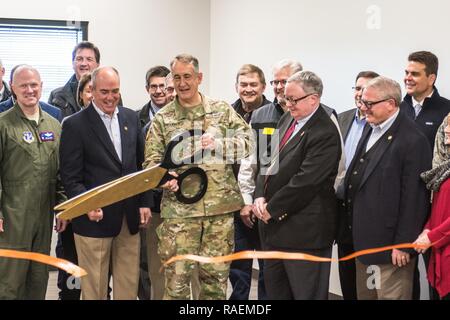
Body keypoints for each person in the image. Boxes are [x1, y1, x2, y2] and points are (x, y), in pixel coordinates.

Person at [144, 54, 253, 300]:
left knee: (215, 284)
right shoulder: (163, 119)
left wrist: (219, 143)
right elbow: (151, 163)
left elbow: (249, 144)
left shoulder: (221, 110)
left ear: (199, 78)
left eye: (188, 77)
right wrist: (165, 178)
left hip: (219, 214)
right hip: (180, 216)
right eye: (178, 77)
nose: (182, 83)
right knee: (176, 285)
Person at [59, 66, 152, 300]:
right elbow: (70, 176)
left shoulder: (131, 117)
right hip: (94, 221)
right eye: (104, 92)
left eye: (115, 91)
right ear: (92, 90)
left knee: (128, 289)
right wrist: (87, 204)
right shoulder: (74, 125)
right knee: (95, 291)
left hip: (129, 220)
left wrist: (145, 202)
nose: (111, 97)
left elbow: (142, 165)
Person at [253, 71, 341, 300]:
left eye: (294, 99)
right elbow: (267, 159)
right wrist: (260, 195)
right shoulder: (287, 118)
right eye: (286, 98)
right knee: (276, 293)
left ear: (313, 98)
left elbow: (305, 182)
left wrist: (271, 209)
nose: (288, 104)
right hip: (273, 229)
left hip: (304, 232)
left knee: (305, 294)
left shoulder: (325, 132)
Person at [345, 76, 431, 300]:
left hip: (392, 248)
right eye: (362, 102)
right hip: (364, 244)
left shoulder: (413, 140)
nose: (363, 108)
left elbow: (414, 199)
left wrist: (403, 244)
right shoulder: (370, 128)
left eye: (369, 104)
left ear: (391, 104)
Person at [0, 65, 66, 299]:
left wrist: (63, 208)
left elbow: (60, 174)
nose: (30, 90)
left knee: (38, 277)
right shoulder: (3, 124)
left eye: (34, 85)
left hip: (43, 216)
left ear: (41, 86)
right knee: (10, 280)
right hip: (12, 216)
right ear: (13, 89)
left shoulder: (54, 125)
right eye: (24, 85)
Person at [400, 51, 450, 300]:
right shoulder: (397, 109)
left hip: (438, 205)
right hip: (405, 203)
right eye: (406, 73)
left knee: (436, 270)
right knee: (404, 269)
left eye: (415, 74)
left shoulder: (446, 110)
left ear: (431, 78)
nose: (408, 78)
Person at [336, 70, 379, 300]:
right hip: (342, 207)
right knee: (346, 269)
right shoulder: (341, 119)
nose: (360, 93)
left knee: (370, 280)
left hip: (368, 207)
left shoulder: (380, 124)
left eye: (366, 88)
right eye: (357, 88)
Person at [229, 64, 271, 301]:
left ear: (263, 87)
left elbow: (266, 165)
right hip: (235, 203)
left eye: (253, 84)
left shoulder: (273, 114)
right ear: (236, 87)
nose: (248, 89)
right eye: (243, 84)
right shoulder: (227, 114)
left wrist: (253, 201)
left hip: (263, 203)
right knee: (238, 267)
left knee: (266, 267)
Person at [414, 114, 450, 300]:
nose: (446, 130)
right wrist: (427, 229)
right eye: (447, 125)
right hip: (439, 252)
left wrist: (432, 236)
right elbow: (437, 207)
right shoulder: (443, 169)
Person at [49, 41, 100, 117]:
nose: (84, 63)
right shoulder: (56, 96)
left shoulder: (111, 95)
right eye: (79, 59)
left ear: (97, 65)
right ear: (73, 63)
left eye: (89, 59)